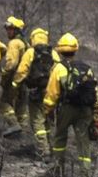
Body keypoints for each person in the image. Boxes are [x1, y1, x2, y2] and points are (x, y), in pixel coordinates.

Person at [42, 33, 98, 177]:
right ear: (75, 50)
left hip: (66, 109)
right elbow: (94, 92)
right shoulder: (87, 69)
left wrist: (48, 110)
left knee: (60, 138)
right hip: (85, 110)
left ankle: (57, 171)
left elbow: (52, 93)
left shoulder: (59, 68)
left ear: (60, 51)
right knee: (84, 144)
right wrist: (96, 112)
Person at [12, 28, 62, 159]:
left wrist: (15, 84)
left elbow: (22, 70)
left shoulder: (30, 52)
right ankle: (49, 146)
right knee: (47, 121)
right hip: (51, 92)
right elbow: (59, 71)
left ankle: (43, 150)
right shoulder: (54, 53)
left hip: (35, 91)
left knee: (37, 121)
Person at [0, 16, 29, 137]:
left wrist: (5, 74)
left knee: (4, 103)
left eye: (10, 29)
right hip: (24, 79)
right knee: (21, 107)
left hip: (14, 79)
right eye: (7, 29)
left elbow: (11, 63)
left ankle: (14, 125)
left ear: (16, 30)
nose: (8, 31)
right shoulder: (25, 43)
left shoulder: (14, 43)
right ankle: (23, 132)